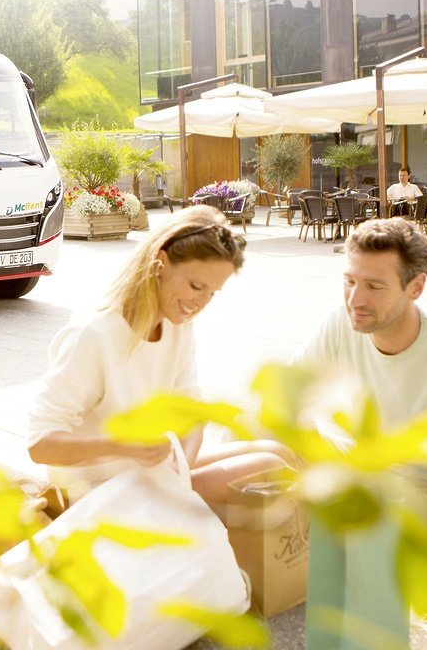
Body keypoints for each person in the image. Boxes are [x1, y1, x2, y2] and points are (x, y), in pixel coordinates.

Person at [300, 218, 427, 643]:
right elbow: (288, 404)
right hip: (363, 476)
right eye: (349, 281)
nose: (355, 299)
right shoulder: (338, 325)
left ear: (416, 287)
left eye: (374, 286)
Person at [26, 204, 297, 505]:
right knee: (269, 466)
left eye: (212, 293)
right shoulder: (94, 334)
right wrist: (121, 446)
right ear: (161, 262)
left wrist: (182, 468)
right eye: (196, 286)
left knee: (279, 452)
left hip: (150, 474)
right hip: (98, 493)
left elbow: (191, 414)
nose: (201, 302)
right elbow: (40, 443)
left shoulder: (177, 326)